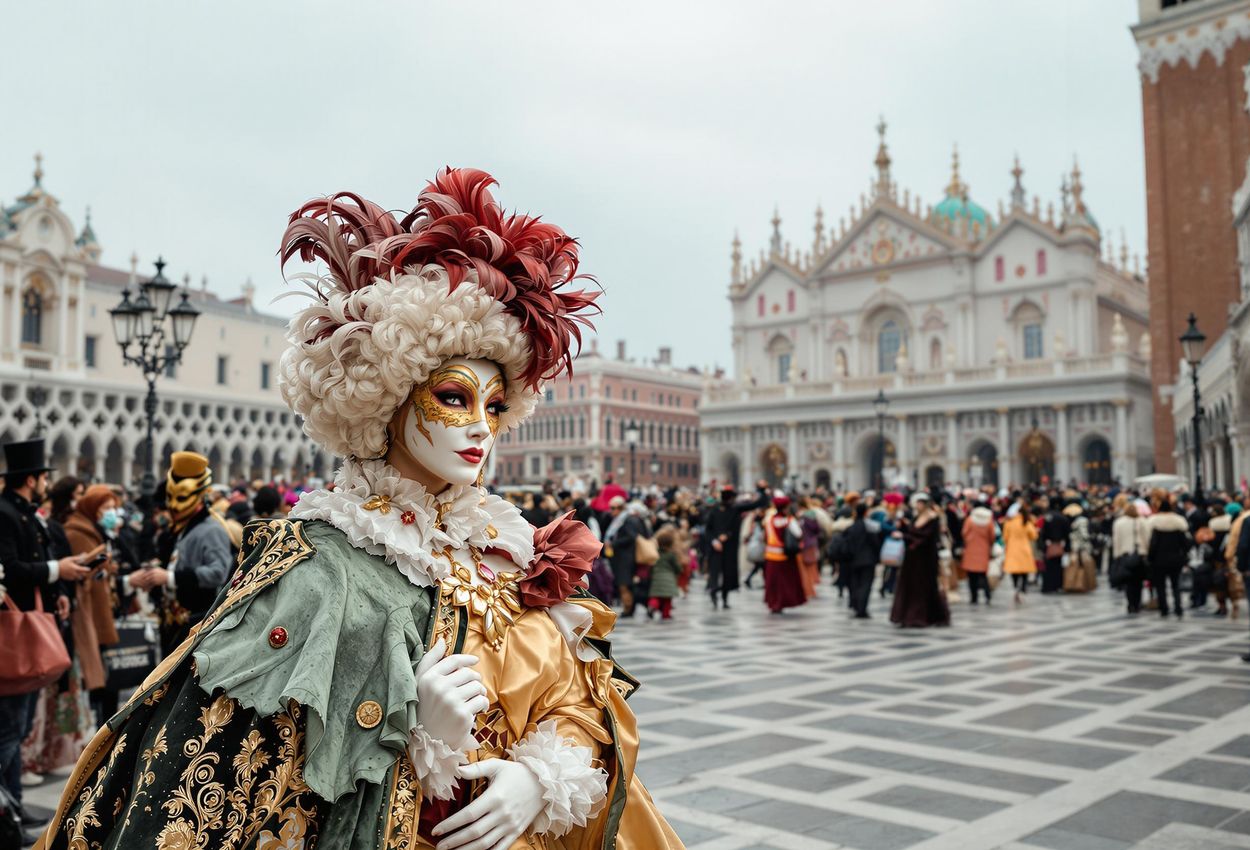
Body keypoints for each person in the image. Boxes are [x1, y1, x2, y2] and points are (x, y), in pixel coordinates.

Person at [39, 169, 682, 849]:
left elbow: (582, 701)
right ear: (389, 397)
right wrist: (409, 734)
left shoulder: (507, 548)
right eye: (455, 398)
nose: (481, 429)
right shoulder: (322, 560)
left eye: (495, 407)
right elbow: (241, 787)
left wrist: (540, 780)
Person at [0, 439, 85, 842]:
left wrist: (60, 594)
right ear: (31, 479)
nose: (42, 485)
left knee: (15, 732)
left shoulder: (23, 515)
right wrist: (57, 569)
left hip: (37, 626)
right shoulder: (6, 515)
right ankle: (7, 810)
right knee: (9, 731)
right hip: (15, 637)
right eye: (41, 478)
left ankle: (11, 811)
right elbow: (15, 570)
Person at [127, 452, 235, 651]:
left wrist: (169, 577)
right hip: (172, 622)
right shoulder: (181, 528)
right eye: (171, 497)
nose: (174, 505)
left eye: (182, 497)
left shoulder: (211, 530)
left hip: (195, 622)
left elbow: (218, 572)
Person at [60, 485, 123, 727]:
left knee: (105, 676)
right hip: (89, 614)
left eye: (113, 508)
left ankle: (104, 725)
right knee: (96, 677)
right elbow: (80, 575)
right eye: (106, 508)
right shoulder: (78, 532)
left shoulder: (94, 530)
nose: (111, 513)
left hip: (100, 610)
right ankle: (100, 729)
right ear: (92, 507)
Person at [890, 493, 951, 628]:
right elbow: (913, 532)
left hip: (926, 558)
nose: (917, 506)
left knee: (925, 586)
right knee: (911, 586)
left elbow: (926, 537)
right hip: (912, 558)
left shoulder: (933, 518)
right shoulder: (917, 517)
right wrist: (904, 530)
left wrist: (906, 537)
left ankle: (923, 616)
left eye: (919, 503)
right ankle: (907, 616)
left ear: (925, 504)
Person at [703, 483, 768, 609]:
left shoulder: (734, 509)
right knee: (715, 572)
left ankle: (724, 598)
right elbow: (708, 529)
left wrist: (762, 491)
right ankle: (714, 591)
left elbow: (757, 504)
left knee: (728, 573)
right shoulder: (716, 510)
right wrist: (714, 541)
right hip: (717, 547)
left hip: (729, 547)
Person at [762, 493, 807, 615]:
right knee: (786, 582)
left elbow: (765, 536)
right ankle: (783, 601)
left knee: (773, 582)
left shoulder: (769, 520)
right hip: (786, 556)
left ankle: (773, 603)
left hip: (771, 556)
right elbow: (798, 534)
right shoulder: (789, 520)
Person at [1147, 500, 1192, 619]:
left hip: (1159, 560)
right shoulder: (1178, 522)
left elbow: (1152, 545)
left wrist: (1150, 558)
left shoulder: (1154, 523)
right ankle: (1178, 607)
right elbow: (1186, 543)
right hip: (1175, 559)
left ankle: (1164, 608)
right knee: (1176, 584)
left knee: (1160, 585)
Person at [843, 502, 881, 618]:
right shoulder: (869, 527)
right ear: (865, 512)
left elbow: (846, 544)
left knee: (855, 584)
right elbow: (876, 544)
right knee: (865, 585)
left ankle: (856, 606)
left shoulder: (851, 528)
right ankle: (861, 609)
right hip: (868, 560)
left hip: (853, 560)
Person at [1112, 500, 1150, 614]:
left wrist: (1116, 556)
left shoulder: (1119, 522)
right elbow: (1147, 538)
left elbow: (1116, 540)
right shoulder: (1142, 521)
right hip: (1139, 554)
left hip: (1125, 554)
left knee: (1128, 582)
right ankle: (1137, 604)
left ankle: (1130, 603)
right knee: (1138, 582)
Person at [1002, 500, 1039, 604]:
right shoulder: (1026, 522)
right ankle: (1023, 588)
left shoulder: (1009, 522)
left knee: (1014, 571)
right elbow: (1033, 535)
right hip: (1024, 548)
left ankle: (1015, 587)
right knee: (1024, 571)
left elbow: (1005, 537)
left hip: (1012, 548)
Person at [961, 503, 996, 605]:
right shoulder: (989, 522)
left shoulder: (970, 520)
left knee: (971, 576)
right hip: (983, 551)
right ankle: (987, 595)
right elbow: (992, 536)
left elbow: (964, 533)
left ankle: (974, 597)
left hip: (971, 550)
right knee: (983, 575)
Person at [647, 526, 682, 620]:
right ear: (671, 543)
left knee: (655, 597)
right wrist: (679, 571)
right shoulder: (671, 555)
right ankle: (666, 615)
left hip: (656, 578)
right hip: (669, 579)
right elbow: (677, 568)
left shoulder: (655, 553)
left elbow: (650, 565)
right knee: (667, 599)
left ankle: (651, 606)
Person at [1039, 501, 1069, 593]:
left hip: (1049, 545)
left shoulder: (1047, 517)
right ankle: (1058, 585)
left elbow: (1042, 533)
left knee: (1048, 567)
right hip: (1060, 545)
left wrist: (1042, 545)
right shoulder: (1063, 518)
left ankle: (1048, 586)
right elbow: (1067, 533)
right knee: (1058, 567)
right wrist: (1067, 547)